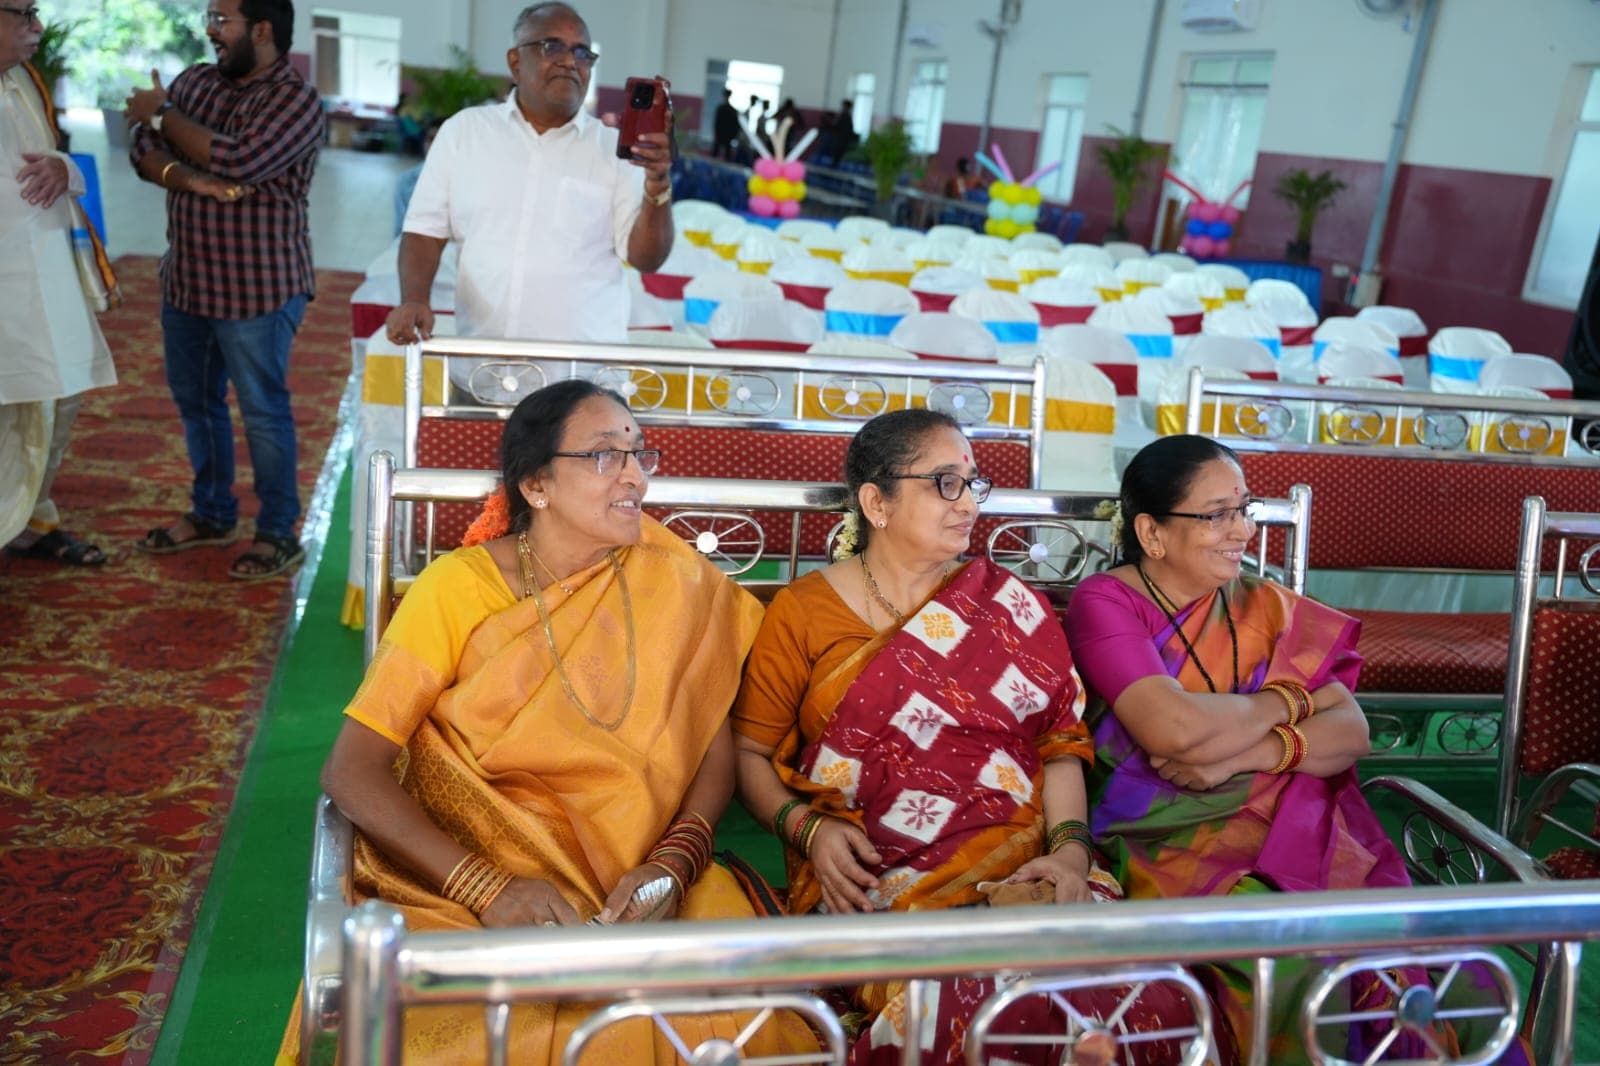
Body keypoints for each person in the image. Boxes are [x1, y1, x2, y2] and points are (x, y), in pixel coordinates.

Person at [278, 380, 819, 1063]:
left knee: (731, 1006)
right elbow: (351, 768)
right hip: (467, 877)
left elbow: (709, 744)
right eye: (604, 456)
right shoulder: (459, 587)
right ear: (537, 485)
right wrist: (487, 888)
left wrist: (675, 861)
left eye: (638, 452)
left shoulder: (678, 579)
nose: (635, 475)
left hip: (639, 880)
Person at [732, 409, 1204, 1065]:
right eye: (944, 484)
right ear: (877, 502)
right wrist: (806, 830)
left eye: (973, 484)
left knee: (1142, 997)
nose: (968, 505)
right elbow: (750, 752)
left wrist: (1071, 854)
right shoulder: (803, 613)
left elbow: (1059, 745)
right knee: (968, 1005)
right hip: (884, 876)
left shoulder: (1009, 603)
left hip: (1024, 859)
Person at [1063, 434, 1531, 1064]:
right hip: (1165, 838)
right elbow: (1170, 730)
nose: (1242, 531)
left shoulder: (1263, 602)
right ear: (1151, 532)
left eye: (1245, 509)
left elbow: (1353, 732)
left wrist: (1242, 752)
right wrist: (1294, 704)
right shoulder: (1110, 601)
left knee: (1441, 962)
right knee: (1294, 959)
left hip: (1296, 819)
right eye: (1217, 515)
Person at [125, 0, 323, 580]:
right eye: (210, 18)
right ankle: (212, 513)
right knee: (198, 405)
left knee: (262, 413)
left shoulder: (295, 99)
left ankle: (277, 533)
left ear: (261, 30)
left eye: (222, 20)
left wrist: (164, 117)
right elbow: (141, 147)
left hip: (258, 290)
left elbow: (240, 158)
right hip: (187, 281)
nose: (210, 30)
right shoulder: (196, 82)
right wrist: (190, 178)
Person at [383, 2, 673, 348]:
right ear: (515, 61)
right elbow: (424, 232)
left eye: (583, 53)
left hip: (583, 378)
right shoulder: (465, 132)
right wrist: (415, 298)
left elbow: (646, 258)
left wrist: (657, 185)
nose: (570, 61)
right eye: (552, 47)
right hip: (481, 365)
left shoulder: (615, 150)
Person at [0, 4, 118, 566]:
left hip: (45, 277)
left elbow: (53, 160)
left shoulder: (23, 80)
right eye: (21, 14)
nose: (37, 28)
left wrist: (63, 170)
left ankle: (30, 521)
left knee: (59, 396)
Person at [391, 117, 441, 236]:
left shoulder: (468, 182)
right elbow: (401, 231)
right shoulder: (408, 181)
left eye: (441, 140)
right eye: (430, 139)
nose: (435, 145)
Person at [711, 87, 739, 160]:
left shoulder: (724, 109)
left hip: (725, 135)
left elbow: (716, 123)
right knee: (722, 153)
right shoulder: (729, 110)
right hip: (724, 135)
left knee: (722, 153)